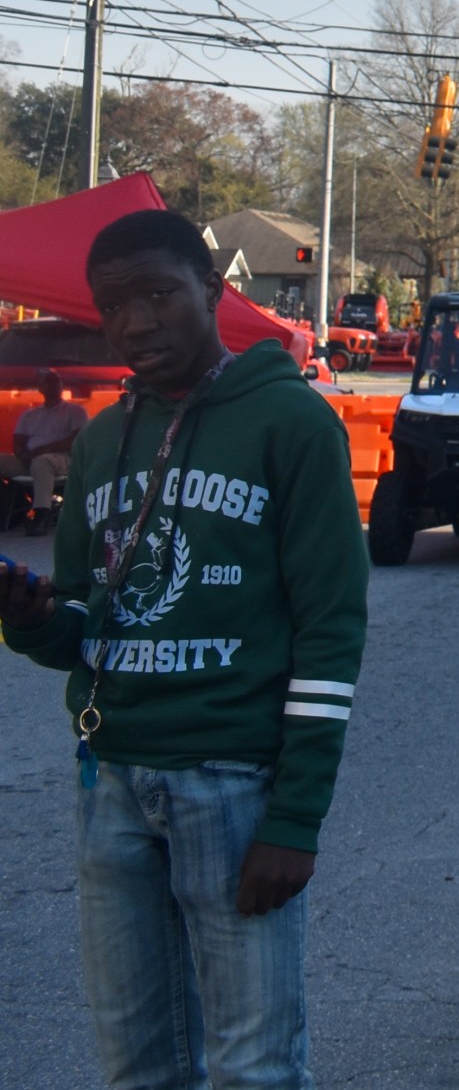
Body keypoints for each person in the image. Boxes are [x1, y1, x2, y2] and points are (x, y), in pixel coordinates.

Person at [0, 209, 369, 1090]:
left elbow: (332, 627)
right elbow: (87, 629)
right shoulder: (97, 442)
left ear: (211, 289)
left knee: (255, 1069)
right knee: (137, 1070)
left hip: (233, 788)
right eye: (112, 305)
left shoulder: (292, 424)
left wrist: (296, 817)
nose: (134, 323)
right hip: (113, 783)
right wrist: (27, 616)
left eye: (159, 294)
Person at [3, 366, 88, 532]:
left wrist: (43, 450)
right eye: (48, 382)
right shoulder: (30, 414)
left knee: (42, 462)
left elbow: (75, 440)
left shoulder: (75, 411)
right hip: (30, 459)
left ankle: (41, 515)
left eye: (56, 382)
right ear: (40, 388)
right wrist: (22, 455)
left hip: (62, 459)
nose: (53, 385)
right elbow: (18, 440)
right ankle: (13, 504)